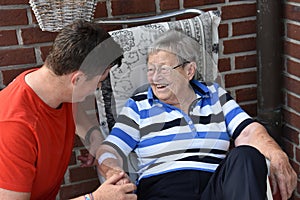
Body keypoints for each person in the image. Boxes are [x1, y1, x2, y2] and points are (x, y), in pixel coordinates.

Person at [95, 30, 297, 200]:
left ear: (189, 71)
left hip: (215, 187)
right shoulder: (138, 106)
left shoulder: (215, 95)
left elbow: (249, 133)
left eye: (164, 69)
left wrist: (277, 153)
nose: (155, 78)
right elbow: (110, 149)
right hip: (164, 190)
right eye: (150, 70)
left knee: (246, 155)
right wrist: (114, 172)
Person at [0, 20, 137, 200]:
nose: (97, 89)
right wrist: (95, 198)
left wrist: (97, 146)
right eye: (98, 82)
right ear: (77, 79)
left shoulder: (53, 85)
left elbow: (80, 120)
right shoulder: (14, 127)